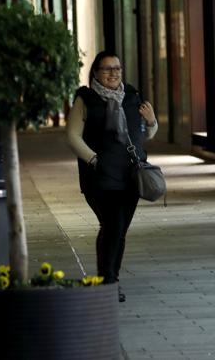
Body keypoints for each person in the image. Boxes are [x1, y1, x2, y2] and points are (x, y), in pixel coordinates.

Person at [66, 51, 157, 304]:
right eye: (107, 69)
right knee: (113, 225)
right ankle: (108, 282)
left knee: (118, 230)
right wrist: (94, 160)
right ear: (95, 72)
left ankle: (110, 278)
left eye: (117, 68)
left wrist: (151, 122)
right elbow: (73, 137)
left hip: (130, 176)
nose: (113, 73)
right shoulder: (85, 100)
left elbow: (144, 135)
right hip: (100, 178)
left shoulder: (132, 96)